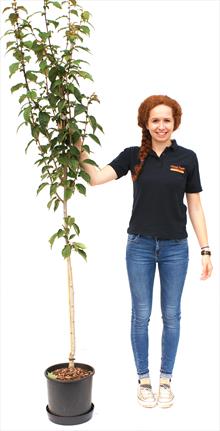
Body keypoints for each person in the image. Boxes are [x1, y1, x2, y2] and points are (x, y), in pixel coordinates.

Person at [77, 94, 213, 408]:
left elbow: (195, 206)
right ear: (145, 123)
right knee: (141, 315)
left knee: (172, 315)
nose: (161, 126)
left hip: (175, 248)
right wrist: (80, 147)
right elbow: (96, 178)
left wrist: (205, 249)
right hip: (139, 246)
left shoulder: (188, 158)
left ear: (175, 122)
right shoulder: (133, 156)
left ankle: (166, 380)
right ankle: (144, 380)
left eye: (167, 120)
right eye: (155, 120)